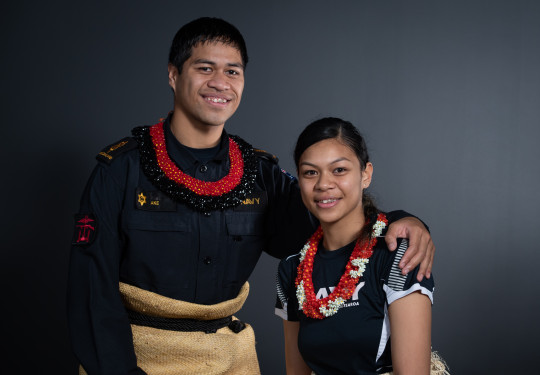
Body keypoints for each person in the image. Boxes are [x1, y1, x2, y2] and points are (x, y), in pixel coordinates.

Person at [67, 18, 435, 375]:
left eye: (233, 71)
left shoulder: (260, 174)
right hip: (139, 357)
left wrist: (406, 220)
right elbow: (91, 293)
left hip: (229, 359)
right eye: (205, 68)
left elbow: (331, 213)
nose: (220, 83)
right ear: (174, 74)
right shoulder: (121, 170)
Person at [275, 117, 449, 375]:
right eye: (310, 172)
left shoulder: (397, 254)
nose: (323, 184)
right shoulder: (292, 269)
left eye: (339, 170)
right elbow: (296, 371)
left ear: (365, 174)